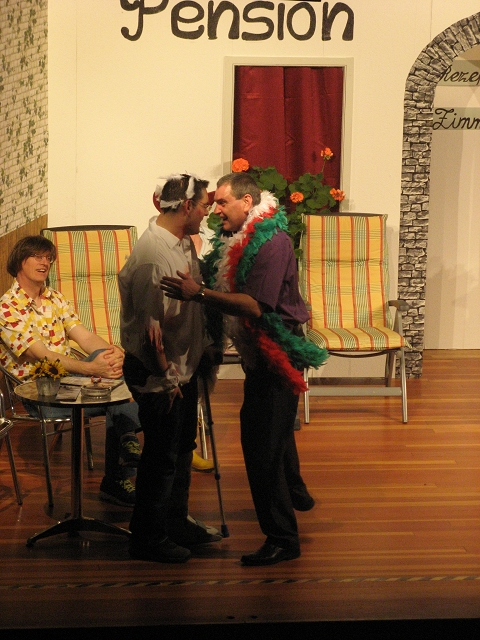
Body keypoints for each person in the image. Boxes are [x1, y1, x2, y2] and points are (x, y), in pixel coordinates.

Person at [160, 172, 327, 566]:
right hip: (258, 352)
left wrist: (198, 294)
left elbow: (255, 306)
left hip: (277, 350)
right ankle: (296, 491)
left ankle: (283, 539)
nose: (215, 210)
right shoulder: (236, 236)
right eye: (214, 203)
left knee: (260, 445)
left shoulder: (270, 242)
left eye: (222, 202)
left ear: (248, 202)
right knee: (272, 430)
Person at [118, 172, 223, 564]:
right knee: (161, 458)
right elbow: (151, 332)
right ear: (187, 207)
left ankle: (175, 522)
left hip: (182, 366)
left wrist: (205, 347)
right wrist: (165, 379)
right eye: (204, 206)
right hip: (159, 372)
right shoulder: (153, 257)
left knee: (181, 450)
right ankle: (147, 537)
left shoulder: (182, 242)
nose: (208, 213)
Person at [0, 235, 142, 507]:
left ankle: (125, 444)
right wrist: (91, 367)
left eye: (48, 258)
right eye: (37, 256)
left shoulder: (53, 297)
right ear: (19, 261)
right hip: (39, 392)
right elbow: (42, 355)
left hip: (71, 380)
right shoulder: (7, 307)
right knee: (119, 394)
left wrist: (113, 353)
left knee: (114, 371)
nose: (45, 263)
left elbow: (84, 337)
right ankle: (120, 466)